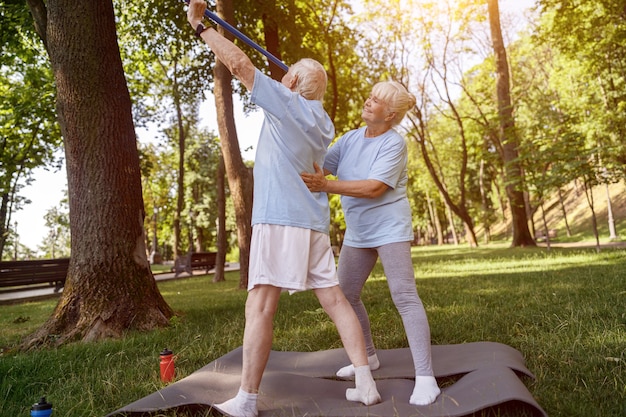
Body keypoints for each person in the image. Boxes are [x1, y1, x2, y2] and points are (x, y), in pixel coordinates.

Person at [186, 1, 381, 416]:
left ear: (291, 79)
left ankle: (247, 401)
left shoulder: (286, 102)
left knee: (259, 305)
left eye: (286, 72)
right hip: (312, 223)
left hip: (279, 220)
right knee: (334, 300)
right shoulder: (322, 120)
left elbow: (239, 64)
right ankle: (365, 382)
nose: (281, 74)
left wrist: (201, 26)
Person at [300, 81, 441, 406]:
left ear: (390, 114)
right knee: (346, 294)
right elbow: (321, 165)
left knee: (404, 296)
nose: (368, 101)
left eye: (376, 101)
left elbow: (375, 187)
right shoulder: (350, 139)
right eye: (370, 95)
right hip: (359, 231)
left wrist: (327, 186)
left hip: (389, 227)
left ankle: (426, 378)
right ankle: (370, 357)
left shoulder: (394, 144)